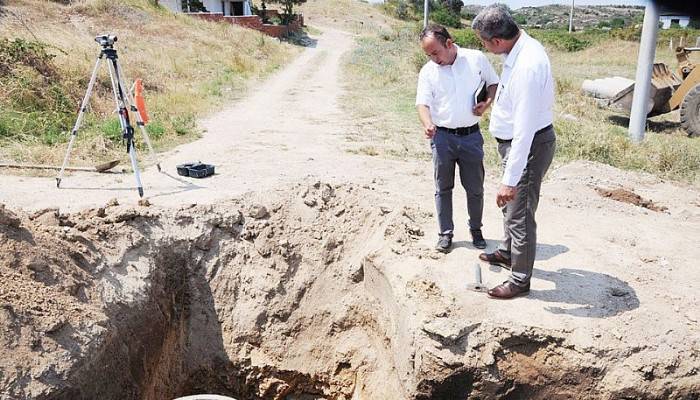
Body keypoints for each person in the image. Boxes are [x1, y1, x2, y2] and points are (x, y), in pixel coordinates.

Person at [471, 5, 557, 299]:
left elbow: (524, 132)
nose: (483, 46)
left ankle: (520, 279)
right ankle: (508, 253)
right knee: (511, 207)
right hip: (519, 144)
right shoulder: (518, 50)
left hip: (529, 146)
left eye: (483, 41)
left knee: (518, 212)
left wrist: (510, 179)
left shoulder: (528, 65)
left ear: (496, 40)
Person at [416, 24, 499, 253]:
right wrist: (428, 123)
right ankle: (445, 234)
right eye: (428, 54)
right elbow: (422, 103)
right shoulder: (428, 72)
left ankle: (476, 230)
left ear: (449, 43)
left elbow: (494, 83)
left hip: (471, 136)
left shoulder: (475, 59)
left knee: (475, 188)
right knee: (443, 187)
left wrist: (487, 104)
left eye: (435, 52)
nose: (433, 58)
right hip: (442, 138)